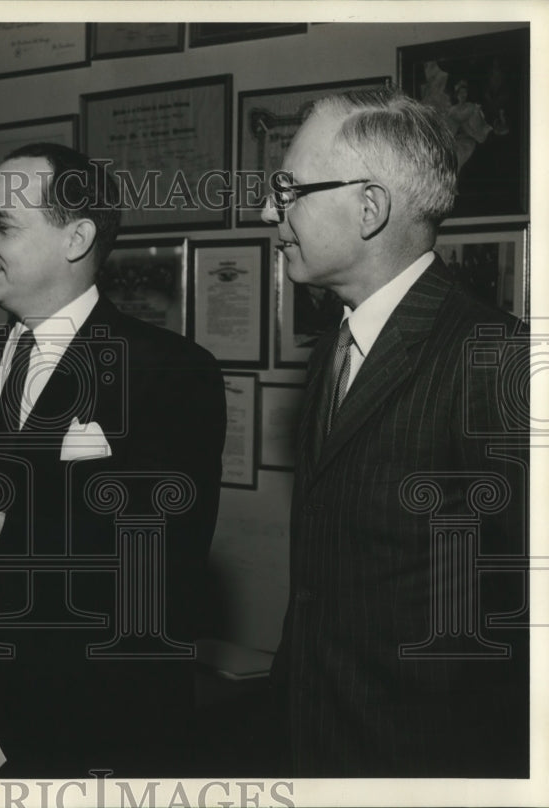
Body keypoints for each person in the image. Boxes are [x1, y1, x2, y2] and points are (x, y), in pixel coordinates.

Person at [0, 143, 227, 776]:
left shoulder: (171, 370)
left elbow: (159, 547)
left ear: (77, 238)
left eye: (3, 226)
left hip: (105, 723)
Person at [262, 87, 528, 777]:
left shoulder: (495, 358)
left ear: (370, 208)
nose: (270, 211)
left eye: (289, 189)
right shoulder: (335, 347)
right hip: (315, 747)